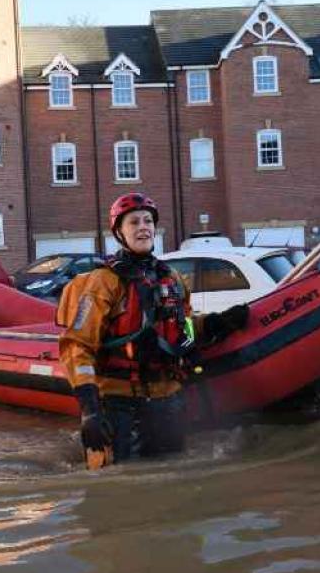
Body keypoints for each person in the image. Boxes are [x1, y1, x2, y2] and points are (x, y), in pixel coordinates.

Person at [56, 193, 249, 468]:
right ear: (119, 233)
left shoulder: (172, 279)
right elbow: (77, 347)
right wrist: (89, 411)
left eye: (148, 221)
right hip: (118, 400)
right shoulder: (103, 283)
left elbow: (185, 330)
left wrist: (217, 323)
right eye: (133, 222)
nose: (143, 227)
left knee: (172, 476)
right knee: (119, 482)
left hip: (166, 398)